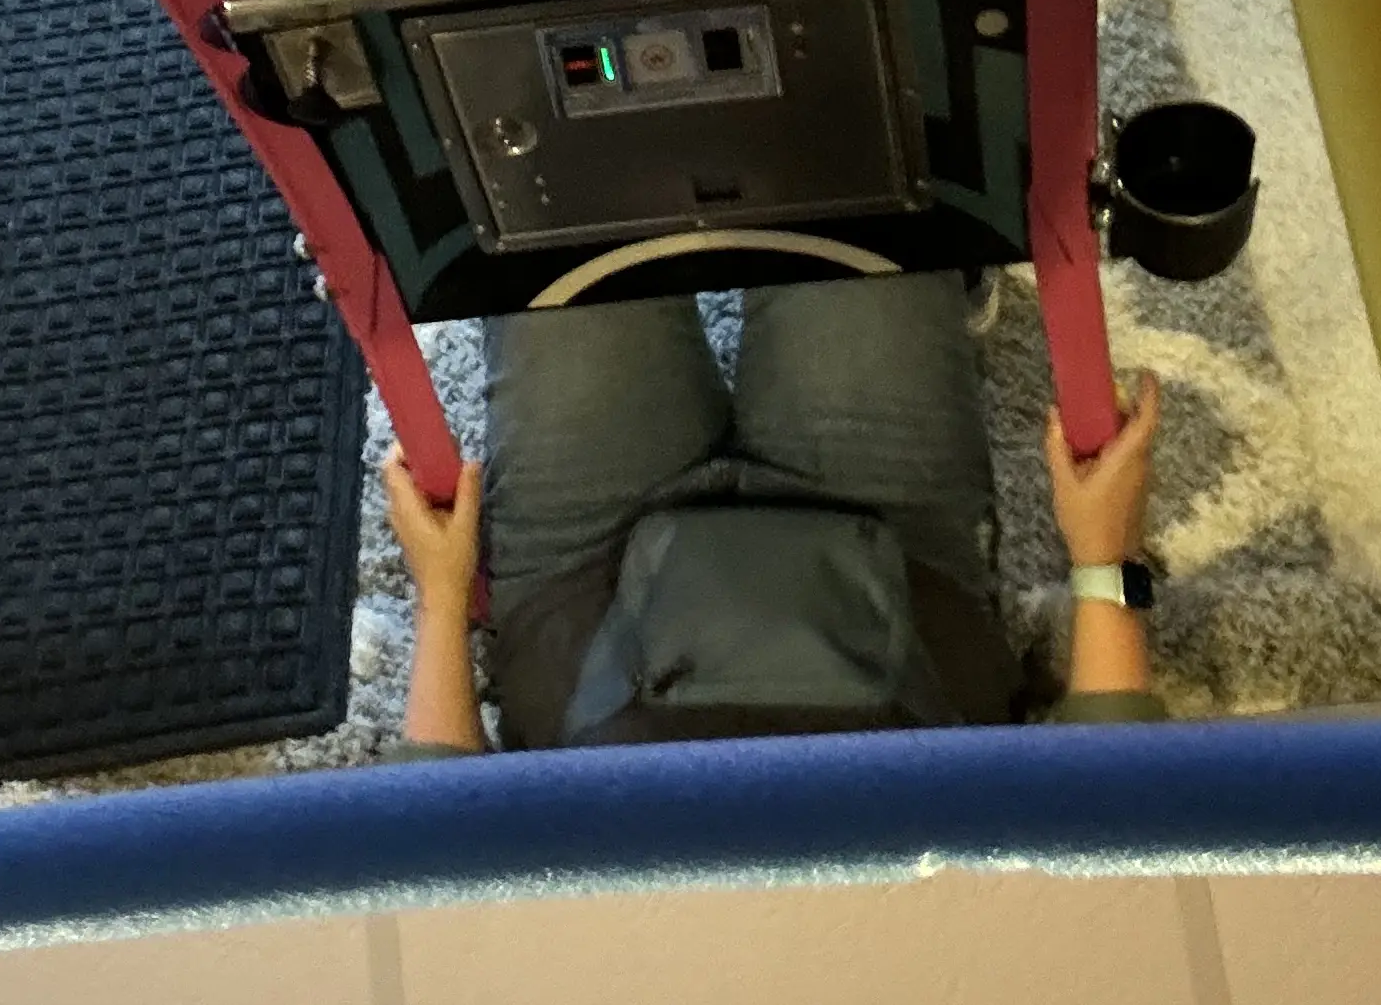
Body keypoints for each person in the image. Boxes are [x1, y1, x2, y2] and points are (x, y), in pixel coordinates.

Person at [381, 272, 1164, 755]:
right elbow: (1119, 789)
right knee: (860, 170)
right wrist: (1106, 559)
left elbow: (426, 829)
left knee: (539, 222)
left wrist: (442, 600)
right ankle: (938, 274)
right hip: (900, 575)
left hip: (586, 594)